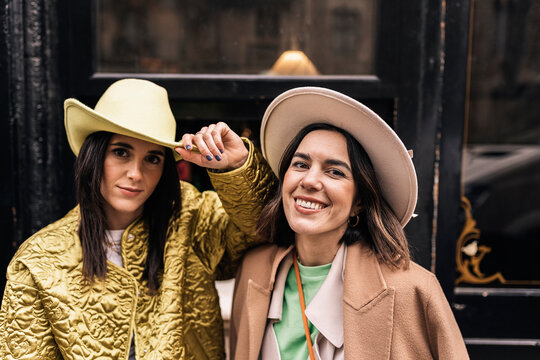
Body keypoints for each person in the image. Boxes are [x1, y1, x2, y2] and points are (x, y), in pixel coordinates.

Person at [0, 78, 276, 359]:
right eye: (121, 152)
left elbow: (264, 228)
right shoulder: (38, 261)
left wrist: (237, 167)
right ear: (94, 155)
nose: (136, 173)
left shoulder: (191, 217)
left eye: (153, 159)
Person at [230, 87, 469, 359]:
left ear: (359, 202)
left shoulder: (411, 289)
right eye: (300, 165)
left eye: (335, 172)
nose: (309, 181)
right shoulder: (253, 269)